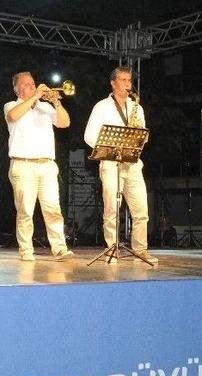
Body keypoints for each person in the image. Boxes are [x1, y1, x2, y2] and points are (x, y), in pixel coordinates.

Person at [84, 66, 158, 263]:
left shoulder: (137, 108)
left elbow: (142, 136)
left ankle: (141, 249)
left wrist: (142, 137)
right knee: (112, 210)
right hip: (110, 163)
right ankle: (111, 248)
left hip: (133, 163)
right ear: (113, 83)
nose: (128, 84)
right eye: (123, 80)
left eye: (129, 80)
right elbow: (89, 136)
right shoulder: (101, 106)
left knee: (141, 210)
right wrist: (109, 146)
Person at [4, 71, 74, 262]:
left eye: (33, 84)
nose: (32, 86)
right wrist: (35, 96)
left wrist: (56, 103)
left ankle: (60, 248)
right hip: (23, 164)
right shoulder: (12, 105)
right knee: (25, 211)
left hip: (47, 165)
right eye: (26, 84)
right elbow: (12, 117)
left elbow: (65, 123)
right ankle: (26, 250)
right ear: (17, 89)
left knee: (53, 209)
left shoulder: (45, 107)